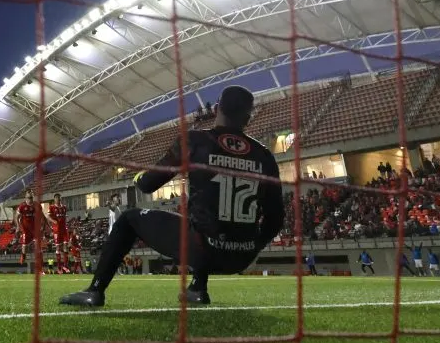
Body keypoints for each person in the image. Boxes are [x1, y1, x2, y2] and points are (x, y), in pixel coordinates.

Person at [59, 85, 284, 307]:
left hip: (202, 249)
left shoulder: (195, 141)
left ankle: (95, 290)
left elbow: (148, 185)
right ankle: (197, 289)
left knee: (129, 219)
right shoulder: (265, 156)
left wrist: (138, 177)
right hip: (241, 258)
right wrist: (248, 245)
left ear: (216, 109)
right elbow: (276, 220)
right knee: (200, 217)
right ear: (248, 118)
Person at [15, 189, 44, 269]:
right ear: (25, 197)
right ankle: (23, 255)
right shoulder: (22, 206)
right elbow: (16, 217)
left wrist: (42, 225)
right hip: (25, 228)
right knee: (25, 246)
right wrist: (17, 226)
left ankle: (40, 267)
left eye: (31, 197)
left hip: (35, 229)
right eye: (28, 198)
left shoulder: (36, 205)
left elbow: (41, 216)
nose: (30, 199)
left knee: (38, 247)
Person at [45, 194, 69, 273]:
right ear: (54, 199)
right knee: (58, 248)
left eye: (59, 198)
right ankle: (59, 267)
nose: (58, 199)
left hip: (64, 228)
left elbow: (65, 216)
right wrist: (53, 221)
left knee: (66, 246)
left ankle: (65, 266)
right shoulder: (52, 207)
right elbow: (48, 217)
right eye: (57, 198)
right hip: (57, 229)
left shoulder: (64, 207)